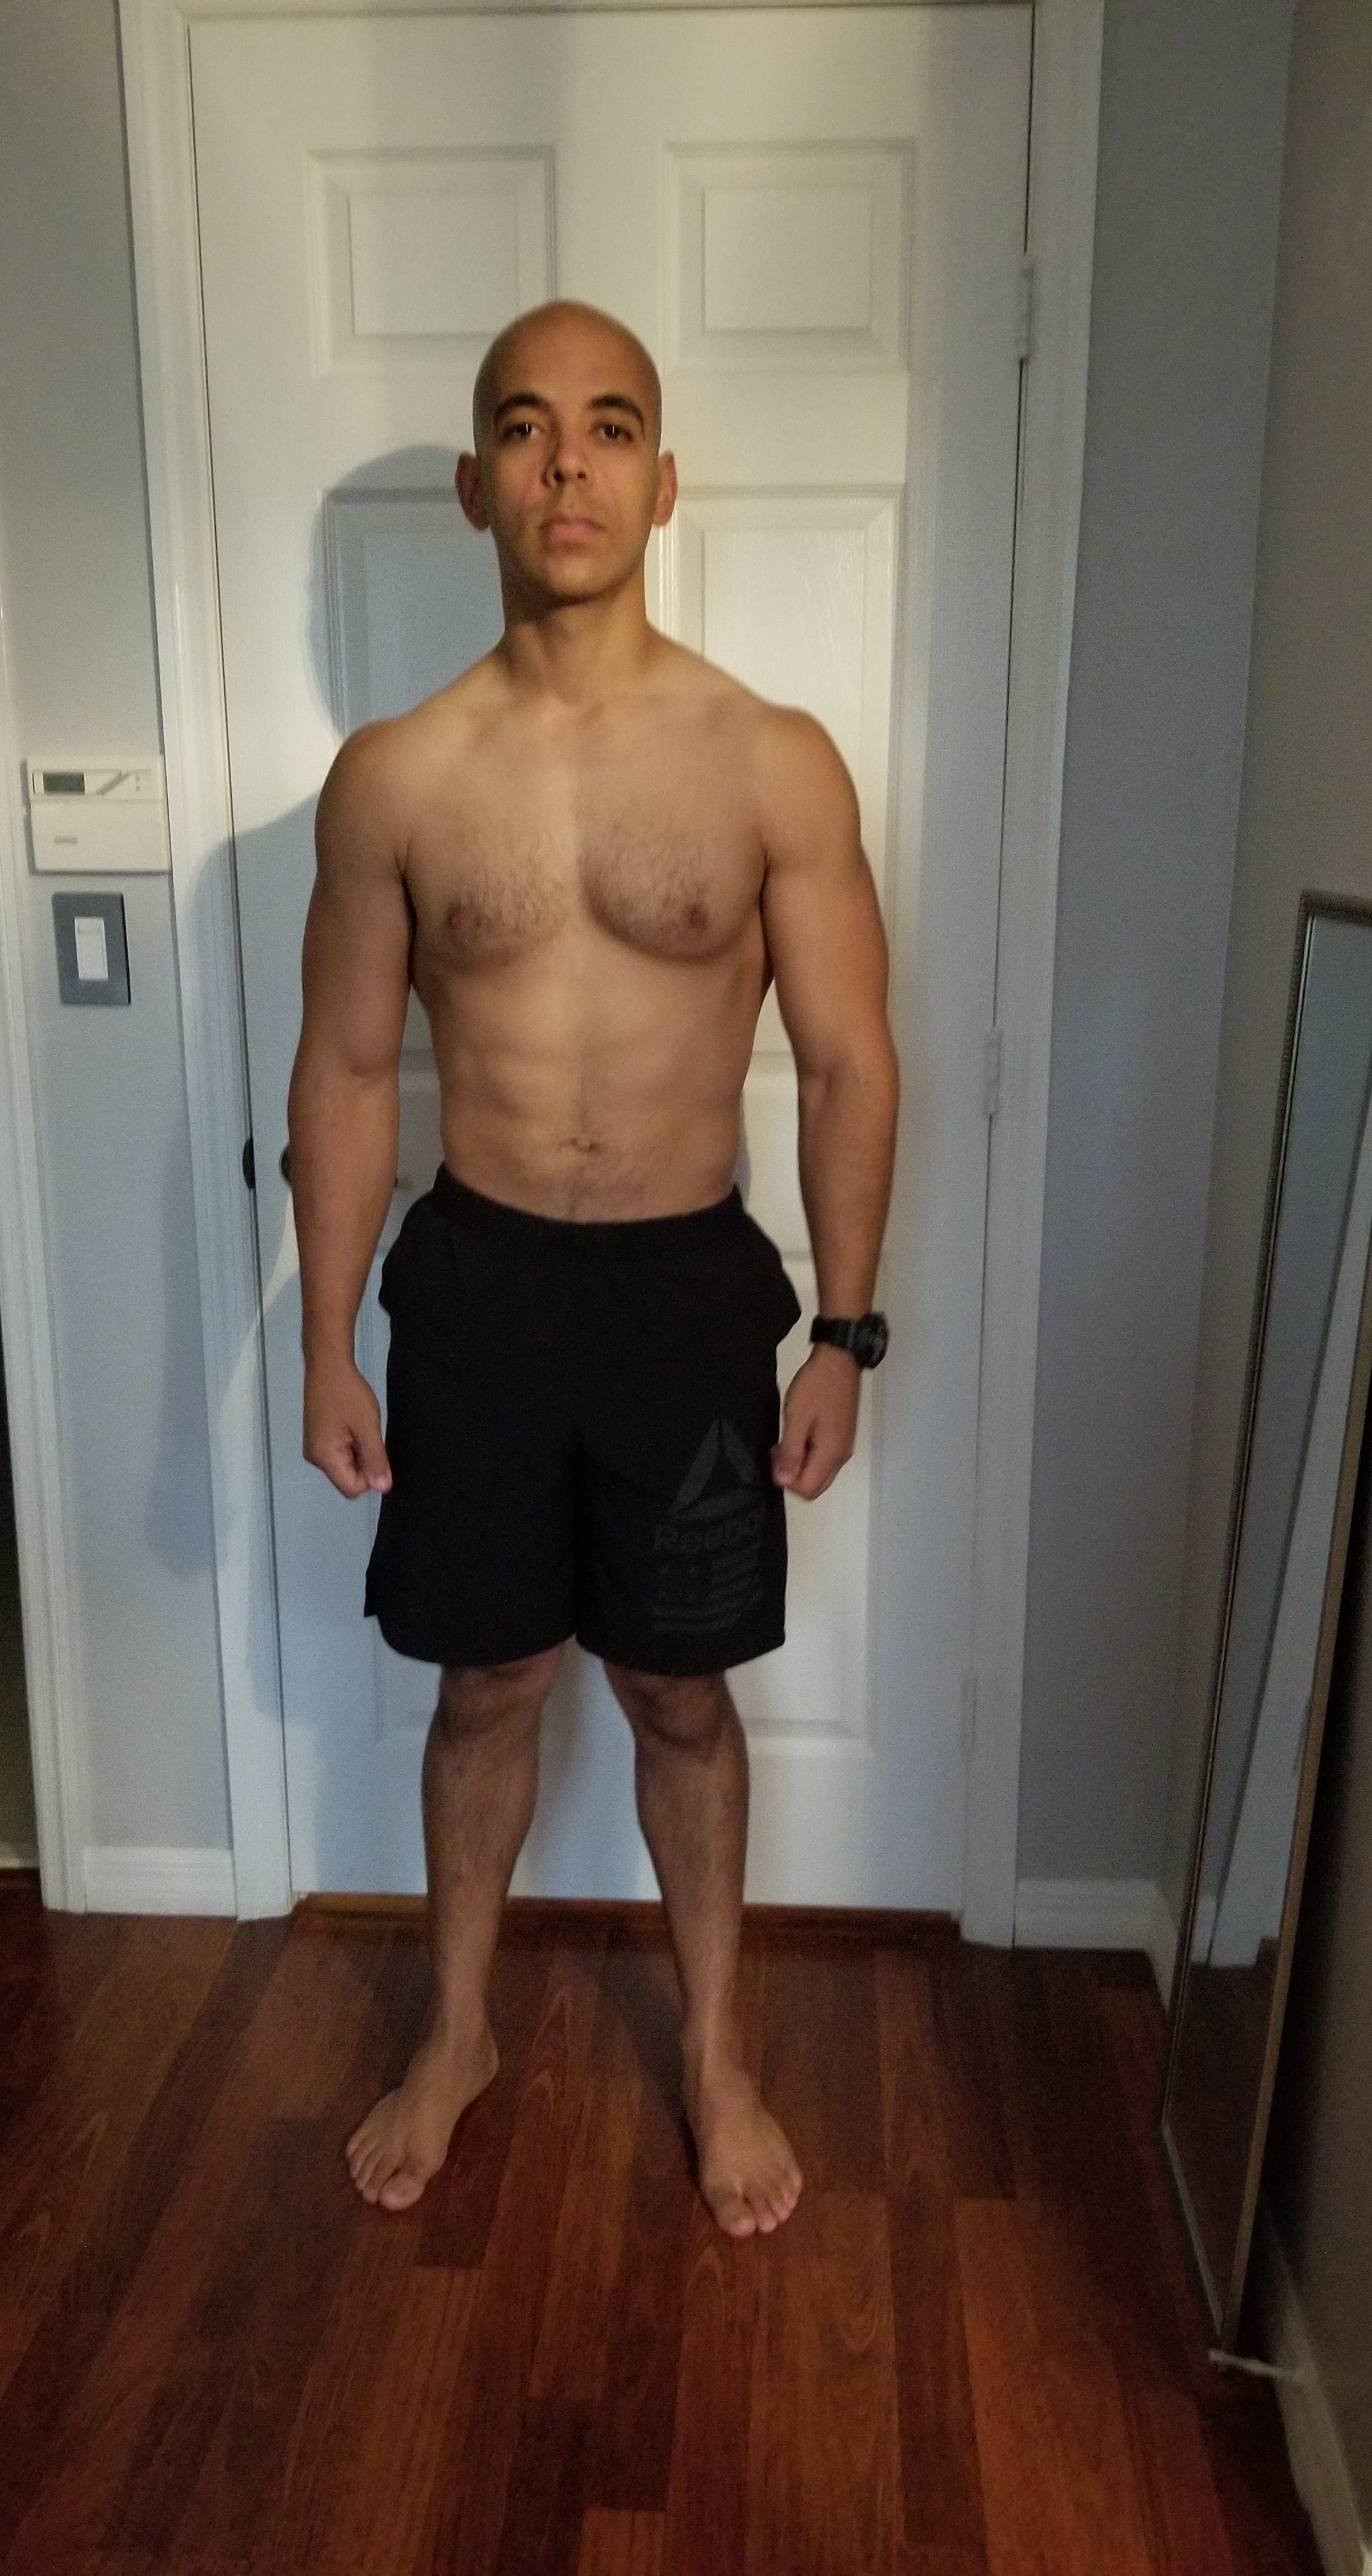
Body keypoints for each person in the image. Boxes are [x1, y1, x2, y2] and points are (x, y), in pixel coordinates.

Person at [287, 300, 898, 2237]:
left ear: (663, 480)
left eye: (611, 426)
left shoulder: (771, 762)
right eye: (529, 428)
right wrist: (326, 1343)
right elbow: (347, 1072)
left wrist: (846, 1334)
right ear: (478, 483)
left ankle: (716, 2059)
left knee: (680, 1696)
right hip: (475, 1291)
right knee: (485, 1682)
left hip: (684, 1294)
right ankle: (458, 2032)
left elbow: (854, 1062)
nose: (569, 463)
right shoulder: (396, 776)